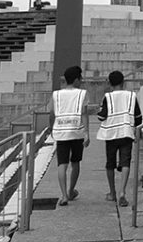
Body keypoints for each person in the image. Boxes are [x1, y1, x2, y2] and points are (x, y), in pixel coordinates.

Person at [97, 70, 143, 207]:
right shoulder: (131, 96)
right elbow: (138, 117)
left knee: (110, 163)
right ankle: (122, 191)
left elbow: (101, 116)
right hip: (126, 131)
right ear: (123, 82)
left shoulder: (108, 97)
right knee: (125, 162)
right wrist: (136, 131)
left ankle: (112, 193)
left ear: (110, 83)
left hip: (111, 133)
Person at [50, 65, 90, 206]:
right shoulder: (82, 93)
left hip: (61, 131)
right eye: (80, 78)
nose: (81, 80)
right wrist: (87, 133)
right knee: (75, 162)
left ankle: (64, 195)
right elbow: (84, 114)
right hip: (76, 131)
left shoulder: (56, 94)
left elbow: (53, 111)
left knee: (62, 164)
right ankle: (71, 190)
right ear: (75, 79)